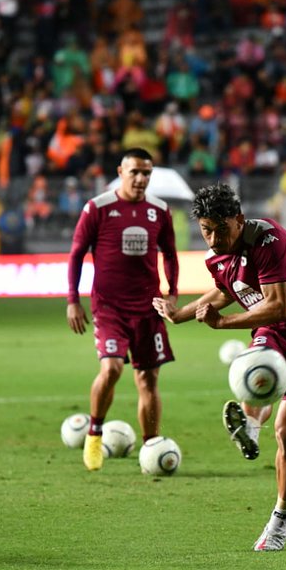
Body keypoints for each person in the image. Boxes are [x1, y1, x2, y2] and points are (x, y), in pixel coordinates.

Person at [153, 182, 286, 551]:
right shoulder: (218, 257)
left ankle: (282, 515)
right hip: (273, 333)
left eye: (221, 229)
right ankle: (252, 427)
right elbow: (226, 290)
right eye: (206, 230)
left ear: (239, 220)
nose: (213, 238)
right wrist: (180, 315)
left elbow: (278, 306)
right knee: (256, 369)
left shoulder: (269, 239)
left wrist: (221, 324)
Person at [67, 148, 180, 472]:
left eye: (147, 173)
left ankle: (151, 446)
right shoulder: (98, 208)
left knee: (148, 379)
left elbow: (170, 254)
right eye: (135, 172)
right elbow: (76, 254)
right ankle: (94, 434)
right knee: (113, 369)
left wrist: (172, 294)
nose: (142, 179)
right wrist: (72, 300)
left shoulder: (159, 210)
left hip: (148, 308)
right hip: (110, 307)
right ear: (121, 171)